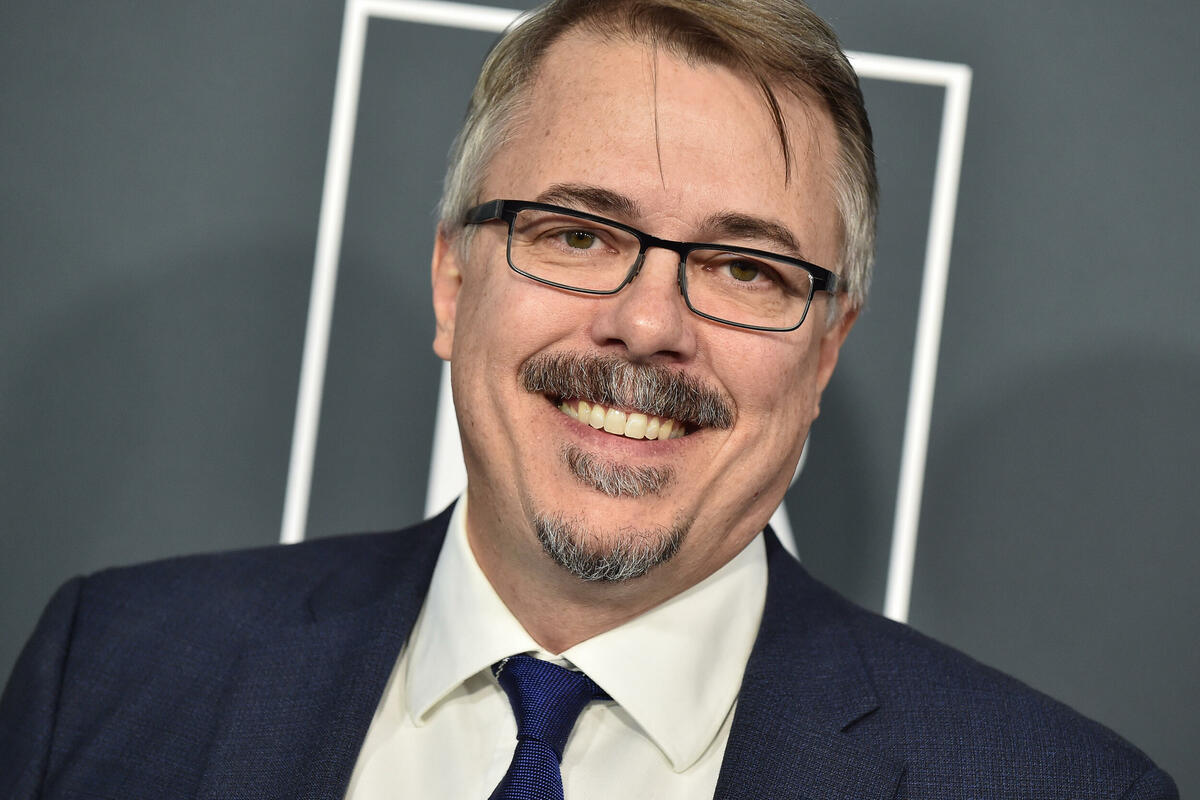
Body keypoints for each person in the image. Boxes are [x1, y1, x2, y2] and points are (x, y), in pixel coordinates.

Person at [0, 0, 1178, 797]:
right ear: (454, 279)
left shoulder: (1052, 786)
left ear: (824, 354)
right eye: (577, 232)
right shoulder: (110, 672)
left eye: (744, 267)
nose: (650, 324)